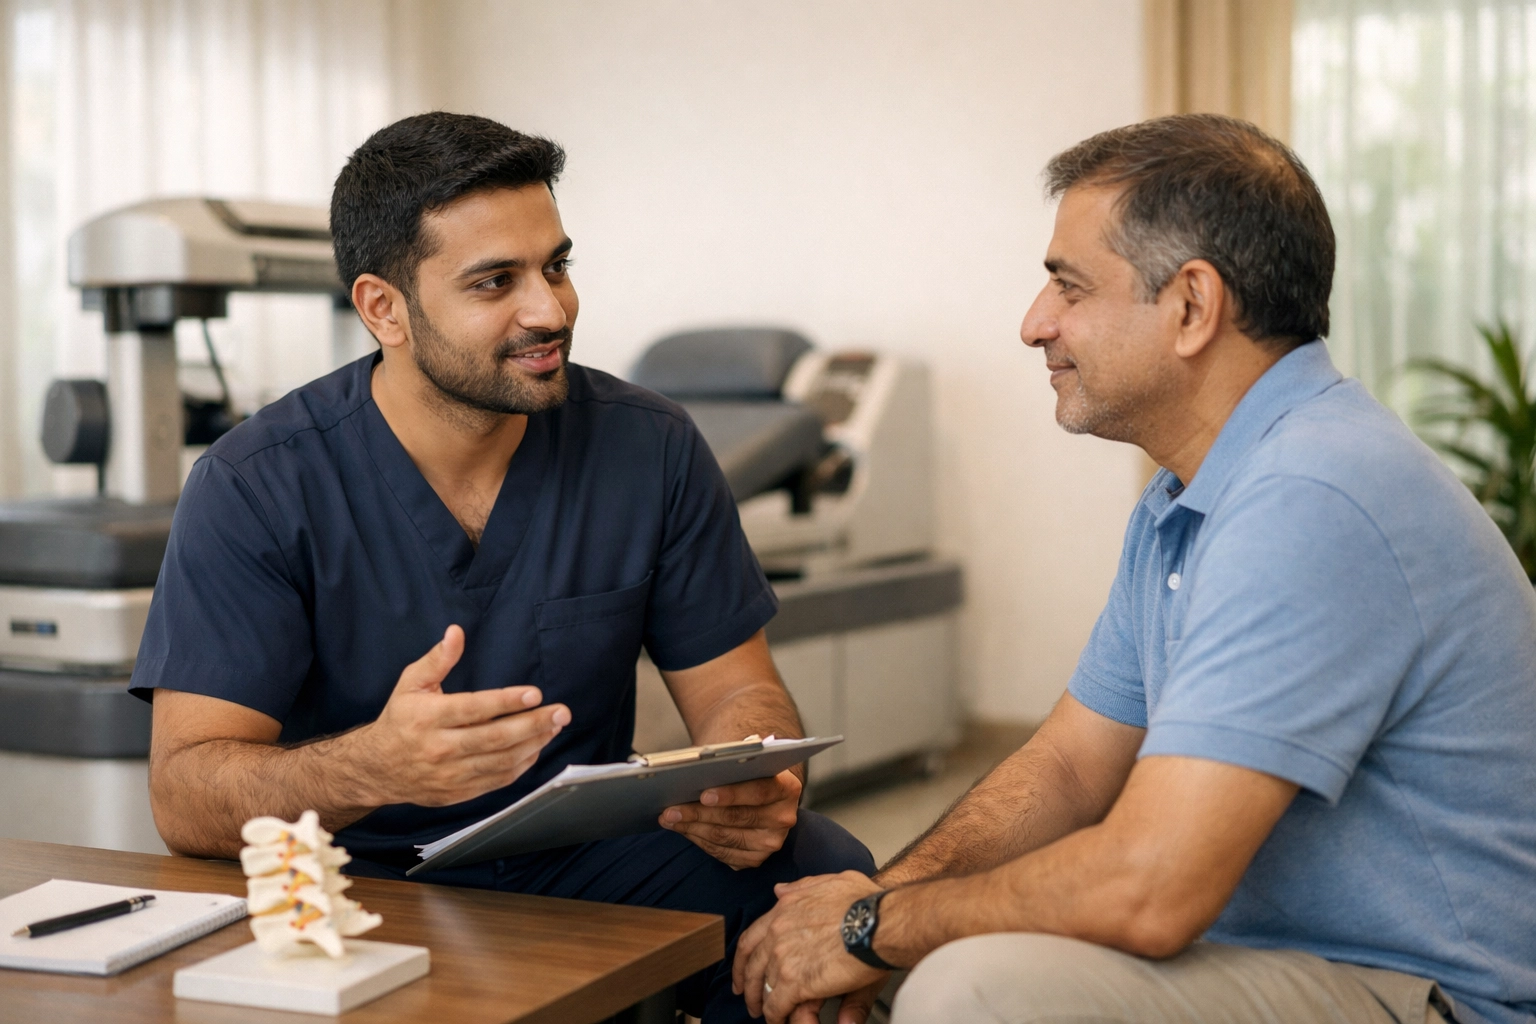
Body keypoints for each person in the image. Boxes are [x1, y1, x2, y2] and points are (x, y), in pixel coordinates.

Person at [733, 114, 1536, 1024]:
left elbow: (1151, 889)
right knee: (926, 943)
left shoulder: (1314, 495)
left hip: (1439, 998)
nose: (1035, 324)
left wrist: (871, 926)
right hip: (1277, 959)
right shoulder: (1186, 501)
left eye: (1068, 287)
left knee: (973, 988)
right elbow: (1074, 768)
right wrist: (869, 908)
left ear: (1192, 306)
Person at [131, 111, 872, 1023]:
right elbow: (186, 793)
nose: (550, 309)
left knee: (821, 886)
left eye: (556, 266)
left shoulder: (650, 446)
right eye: (496, 282)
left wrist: (758, 780)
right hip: (360, 876)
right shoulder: (256, 483)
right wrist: (375, 767)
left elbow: (739, 694)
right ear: (382, 308)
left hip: (585, 857)